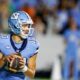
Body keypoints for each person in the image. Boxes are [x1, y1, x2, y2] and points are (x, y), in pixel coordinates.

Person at [0, 11, 39, 80]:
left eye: (28, 26)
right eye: (24, 25)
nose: (27, 29)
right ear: (15, 25)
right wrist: (4, 59)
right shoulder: (2, 42)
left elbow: (32, 75)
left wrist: (23, 68)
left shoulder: (32, 45)